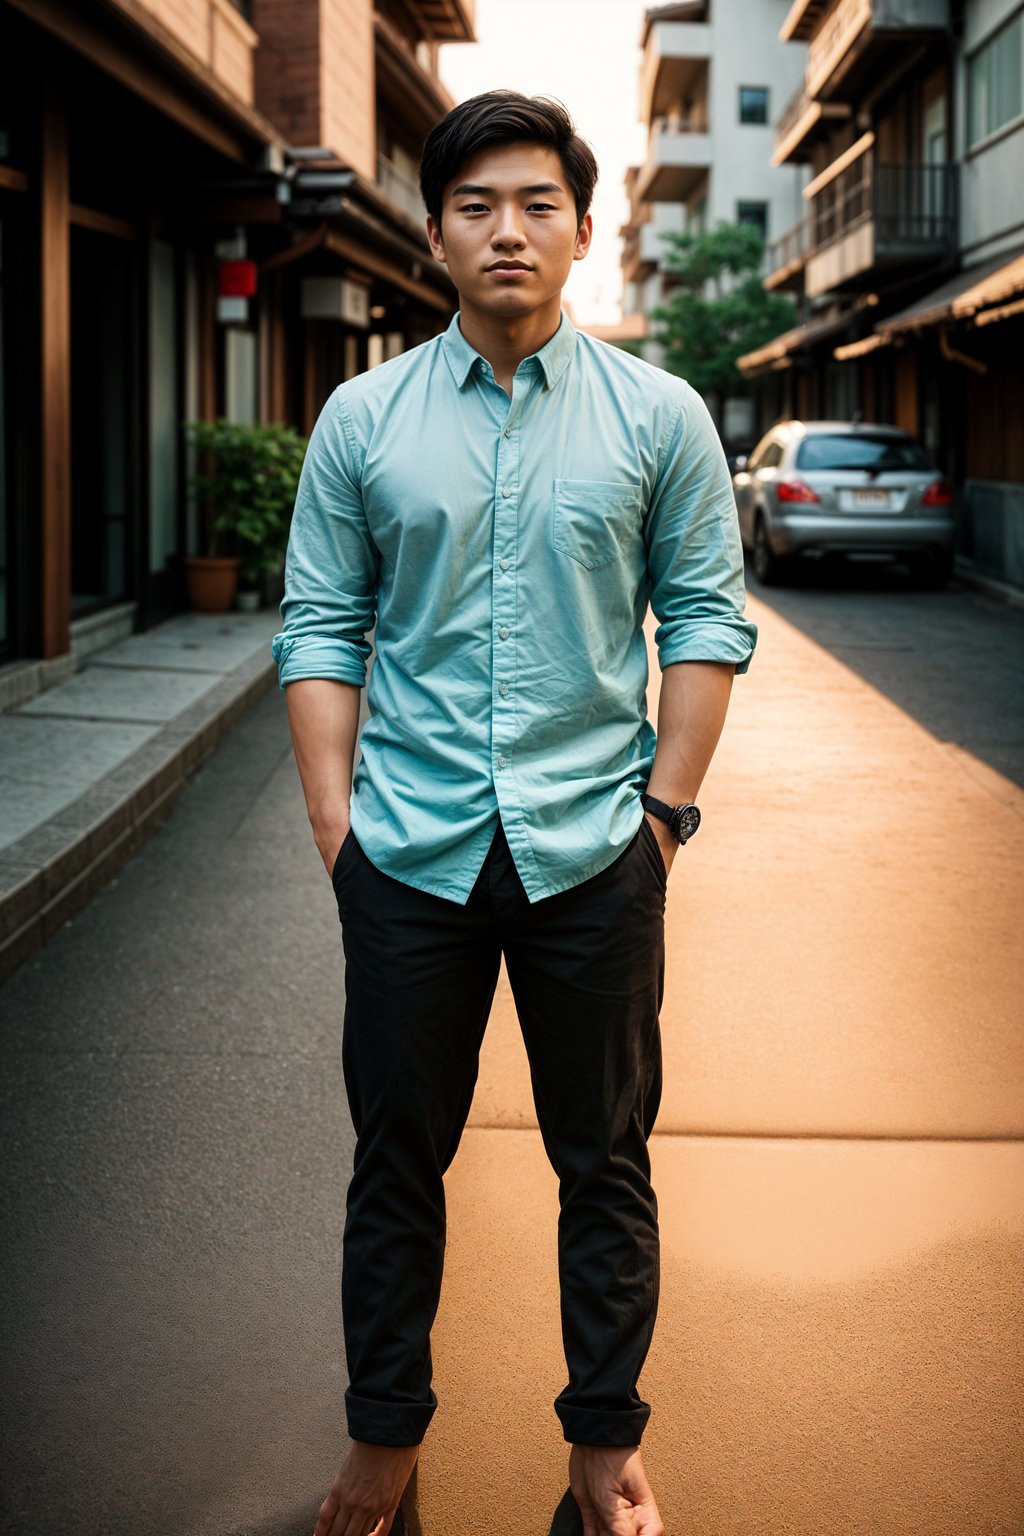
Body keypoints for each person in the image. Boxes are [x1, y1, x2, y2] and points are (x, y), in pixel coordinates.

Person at [272, 89, 756, 1536]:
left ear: (583, 230)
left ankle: (604, 1451)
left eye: (537, 203)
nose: (507, 229)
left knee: (604, 1158)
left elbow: (707, 621)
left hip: (593, 852)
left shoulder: (657, 415)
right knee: (393, 1163)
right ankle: (384, 1443)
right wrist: (337, 841)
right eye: (476, 205)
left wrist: (662, 819)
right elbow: (318, 631)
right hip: (406, 859)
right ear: (433, 234)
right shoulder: (363, 418)